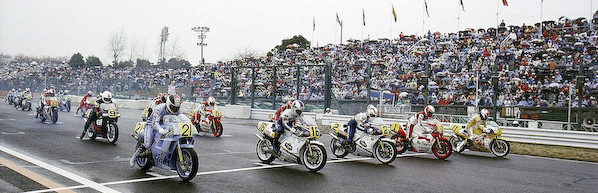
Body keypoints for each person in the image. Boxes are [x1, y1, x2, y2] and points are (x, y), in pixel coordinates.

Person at [130, 94, 181, 166]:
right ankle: (135, 156)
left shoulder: (176, 110)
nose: (175, 109)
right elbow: (154, 122)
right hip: (151, 125)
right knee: (147, 144)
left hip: (165, 125)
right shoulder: (159, 108)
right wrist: (161, 130)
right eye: (173, 107)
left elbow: (180, 118)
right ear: (169, 104)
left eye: (177, 108)